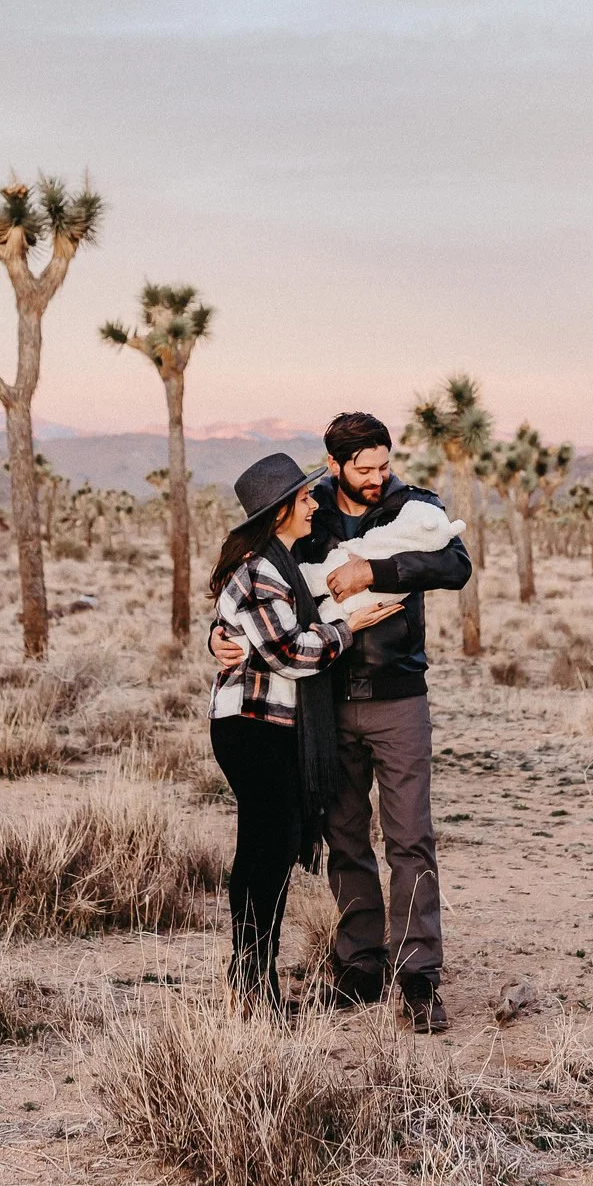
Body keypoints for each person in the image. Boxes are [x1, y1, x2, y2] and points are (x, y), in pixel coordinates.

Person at [214, 412, 471, 1031]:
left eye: (385, 464)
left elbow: (454, 566)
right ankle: (360, 965)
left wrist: (374, 572)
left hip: (397, 692)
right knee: (346, 836)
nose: (380, 477)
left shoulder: (415, 505)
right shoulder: (311, 509)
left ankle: (418, 976)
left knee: (410, 836)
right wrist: (223, 636)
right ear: (335, 467)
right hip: (323, 701)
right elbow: (257, 583)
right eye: (366, 468)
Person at [205, 452, 396, 1018]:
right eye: (306, 498)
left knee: (265, 850)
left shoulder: (280, 563)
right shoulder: (262, 570)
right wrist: (347, 629)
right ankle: (254, 987)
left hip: (268, 725)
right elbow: (288, 653)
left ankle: (251, 978)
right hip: (252, 727)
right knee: (268, 852)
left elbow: (254, 632)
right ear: (282, 509)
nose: (315, 504)